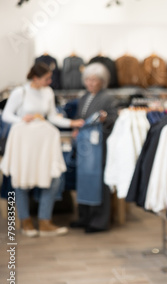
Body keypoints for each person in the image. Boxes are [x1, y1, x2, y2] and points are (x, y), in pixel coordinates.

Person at [2, 62, 84, 237]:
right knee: (21, 178)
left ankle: (45, 221)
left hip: (43, 141)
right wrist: (22, 119)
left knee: (53, 178)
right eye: (47, 78)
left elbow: (53, 116)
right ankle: (26, 222)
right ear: (35, 78)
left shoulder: (48, 92)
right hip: (24, 141)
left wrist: (71, 123)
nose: (50, 81)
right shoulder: (20, 92)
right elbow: (6, 115)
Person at [69, 62, 118, 233]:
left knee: (99, 181)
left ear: (102, 81)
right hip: (85, 147)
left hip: (99, 147)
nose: (90, 83)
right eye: (88, 79)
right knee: (83, 180)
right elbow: (79, 117)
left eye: (94, 80)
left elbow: (114, 119)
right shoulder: (83, 97)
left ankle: (99, 221)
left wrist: (105, 118)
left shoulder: (108, 98)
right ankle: (84, 217)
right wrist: (76, 128)